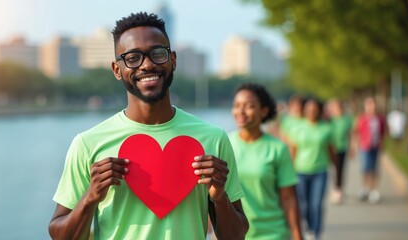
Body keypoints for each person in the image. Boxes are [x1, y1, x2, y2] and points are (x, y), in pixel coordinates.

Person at [48, 12, 249, 240]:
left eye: (157, 54)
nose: (147, 64)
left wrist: (220, 196)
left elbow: (236, 237)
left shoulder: (213, 138)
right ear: (116, 69)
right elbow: (60, 235)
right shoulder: (88, 143)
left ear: (172, 60)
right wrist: (90, 197)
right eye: (133, 57)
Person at [228, 83, 303, 240]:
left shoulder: (278, 149)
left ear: (264, 111)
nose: (241, 111)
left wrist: (297, 235)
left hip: (273, 233)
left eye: (249, 106)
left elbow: (289, 198)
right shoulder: (224, 144)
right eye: (237, 105)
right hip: (234, 235)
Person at [289, 98, 336, 240]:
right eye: (309, 108)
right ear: (304, 110)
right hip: (300, 172)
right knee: (304, 206)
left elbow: (331, 151)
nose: (312, 111)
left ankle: (315, 233)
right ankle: (308, 228)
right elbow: (293, 150)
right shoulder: (297, 127)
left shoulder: (327, 128)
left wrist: (337, 175)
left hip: (320, 172)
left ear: (320, 110)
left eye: (315, 108)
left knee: (316, 205)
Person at [353, 97, 386, 204]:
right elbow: (356, 131)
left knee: (375, 168)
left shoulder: (380, 119)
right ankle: (365, 188)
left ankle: (374, 190)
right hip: (365, 146)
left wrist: (382, 142)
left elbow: (384, 132)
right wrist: (354, 145)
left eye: (373, 105)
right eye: (369, 105)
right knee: (365, 167)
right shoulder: (362, 118)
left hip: (376, 146)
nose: (371, 107)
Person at [326, 99, 353, 204]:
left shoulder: (346, 119)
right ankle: (336, 188)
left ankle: (338, 190)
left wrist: (351, 147)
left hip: (342, 148)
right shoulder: (329, 120)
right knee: (334, 170)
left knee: (340, 170)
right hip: (332, 148)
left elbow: (349, 134)